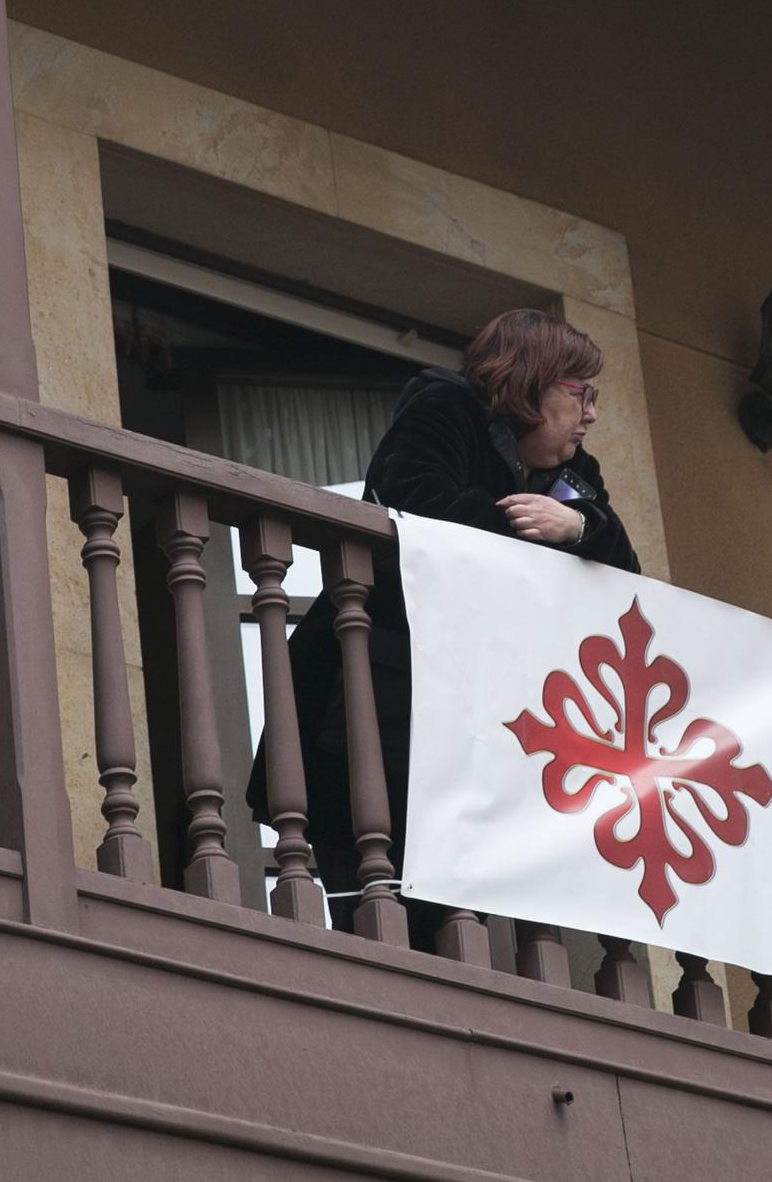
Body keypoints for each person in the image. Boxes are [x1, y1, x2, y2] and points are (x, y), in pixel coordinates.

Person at [248, 309, 640, 948]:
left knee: (455, 909)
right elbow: (413, 497)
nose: (591, 413)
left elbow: (623, 571)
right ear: (531, 381)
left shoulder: (573, 478)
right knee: (378, 891)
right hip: (374, 691)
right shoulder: (446, 406)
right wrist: (534, 531)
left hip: (478, 717)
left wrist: (580, 528)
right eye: (581, 392)